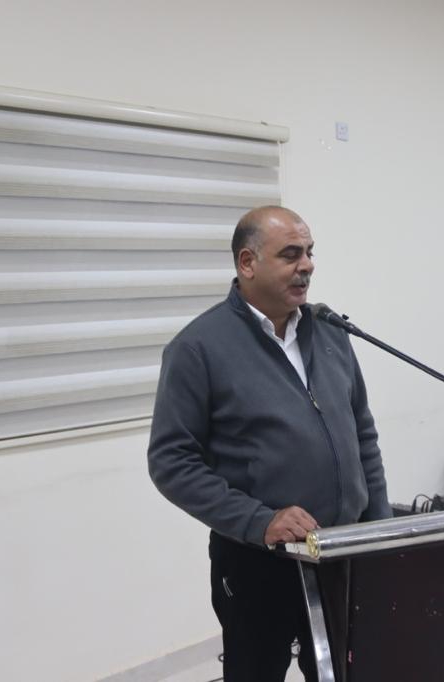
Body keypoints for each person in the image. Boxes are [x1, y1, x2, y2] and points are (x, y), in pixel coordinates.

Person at [148, 206, 391, 682]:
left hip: (341, 552)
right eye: (291, 254)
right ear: (247, 262)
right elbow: (171, 462)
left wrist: (378, 528)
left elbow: (362, 433)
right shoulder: (198, 348)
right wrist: (259, 521)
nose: (307, 265)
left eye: (310, 253)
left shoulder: (331, 333)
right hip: (258, 563)